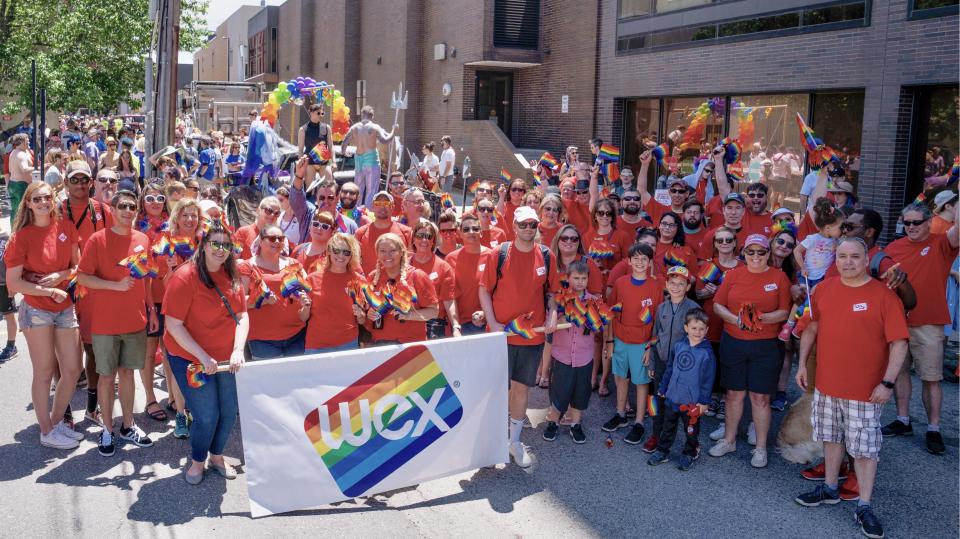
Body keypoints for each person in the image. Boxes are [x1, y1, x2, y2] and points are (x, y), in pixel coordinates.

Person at [794, 237, 909, 539]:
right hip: (828, 386)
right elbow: (812, 327)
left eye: (854, 256)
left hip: (866, 391)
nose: (847, 262)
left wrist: (887, 383)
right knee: (831, 439)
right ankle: (831, 488)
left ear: (865, 258)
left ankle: (865, 505)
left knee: (864, 450)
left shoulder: (884, 295)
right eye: (842, 256)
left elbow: (898, 343)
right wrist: (803, 364)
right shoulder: (825, 289)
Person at [164, 219, 247, 484]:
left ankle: (217, 455)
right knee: (206, 414)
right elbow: (173, 325)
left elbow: (242, 316)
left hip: (225, 357)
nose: (221, 250)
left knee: (229, 410)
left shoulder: (231, 274)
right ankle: (198, 460)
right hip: (190, 358)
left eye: (226, 245)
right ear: (204, 244)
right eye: (215, 243)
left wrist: (237, 350)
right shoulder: (184, 277)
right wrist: (202, 356)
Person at [77, 189, 158, 457]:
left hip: (135, 320)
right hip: (104, 324)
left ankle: (128, 425)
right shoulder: (97, 240)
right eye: (122, 206)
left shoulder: (143, 239)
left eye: (132, 206)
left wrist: (151, 309)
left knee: (127, 374)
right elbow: (83, 278)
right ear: (112, 210)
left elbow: (145, 278)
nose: (127, 210)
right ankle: (107, 429)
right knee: (106, 377)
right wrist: (115, 286)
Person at [4, 182, 83, 449]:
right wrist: (48, 292)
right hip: (38, 310)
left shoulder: (66, 227)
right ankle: (46, 431)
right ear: (27, 203)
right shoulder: (21, 237)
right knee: (45, 371)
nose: (43, 202)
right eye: (36, 198)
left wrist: (60, 276)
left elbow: (77, 267)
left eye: (47, 197)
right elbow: (13, 284)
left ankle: (57, 421)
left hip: (65, 308)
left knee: (72, 369)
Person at [479, 206, 559, 467]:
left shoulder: (546, 256)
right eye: (523, 224)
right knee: (497, 389)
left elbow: (552, 293)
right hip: (500, 337)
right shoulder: (498, 254)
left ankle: (513, 441)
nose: (528, 229)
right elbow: (484, 291)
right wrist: (493, 323)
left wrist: (552, 315)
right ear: (514, 226)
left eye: (532, 225)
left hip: (531, 337)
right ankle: (492, 441)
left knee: (521, 389)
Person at [881, 201, 959, 455]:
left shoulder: (942, 243)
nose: (911, 227)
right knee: (900, 372)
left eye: (916, 222)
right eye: (907, 223)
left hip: (929, 322)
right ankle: (903, 420)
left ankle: (933, 428)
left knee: (931, 377)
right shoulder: (893, 248)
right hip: (897, 320)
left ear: (929, 222)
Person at [708, 234, 790, 468]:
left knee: (760, 397)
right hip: (734, 341)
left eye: (761, 252)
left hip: (766, 345)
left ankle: (761, 448)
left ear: (768, 253)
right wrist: (736, 320)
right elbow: (717, 304)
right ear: (743, 252)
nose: (755, 256)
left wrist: (759, 318)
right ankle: (729, 440)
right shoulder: (733, 275)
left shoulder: (779, 277)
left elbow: (784, 311)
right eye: (750, 252)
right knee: (734, 394)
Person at [60, 160, 113, 424]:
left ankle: (92, 406)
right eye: (74, 179)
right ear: (65, 182)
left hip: (93, 289)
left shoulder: (102, 210)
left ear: (91, 183)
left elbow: (116, 244)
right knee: (64, 352)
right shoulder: (56, 210)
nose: (80, 184)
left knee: (93, 349)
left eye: (84, 180)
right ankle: (65, 410)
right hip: (62, 289)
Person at [602, 242, 662, 445]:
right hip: (621, 339)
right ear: (628, 261)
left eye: (644, 259)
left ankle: (639, 422)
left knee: (641, 381)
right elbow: (610, 313)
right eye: (635, 258)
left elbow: (658, 319)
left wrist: (650, 347)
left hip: (642, 342)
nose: (639, 262)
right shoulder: (621, 282)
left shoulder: (656, 285)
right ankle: (620, 414)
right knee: (621, 377)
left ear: (650, 262)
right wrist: (609, 341)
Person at [647, 308, 716, 471]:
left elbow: (708, 380)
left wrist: (704, 402)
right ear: (686, 328)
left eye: (701, 329)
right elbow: (670, 369)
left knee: (691, 429)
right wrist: (663, 387)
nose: (697, 332)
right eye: (693, 328)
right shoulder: (678, 346)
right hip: (673, 396)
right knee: (668, 426)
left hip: (692, 403)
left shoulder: (707, 354)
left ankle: (690, 452)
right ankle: (663, 450)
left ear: (707, 330)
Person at [645, 265, 701, 454]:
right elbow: (655, 335)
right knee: (657, 400)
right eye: (672, 283)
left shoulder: (694, 308)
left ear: (687, 287)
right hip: (661, 361)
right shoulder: (661, 307)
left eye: (681, 283)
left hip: (682, 366)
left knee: (681, 403)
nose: (676, 287)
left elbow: (698, 339)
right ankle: (655, 434)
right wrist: (652, 361)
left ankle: (690, 443)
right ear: (666, 284)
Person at [541, 260, 597, 445]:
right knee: (559, 391)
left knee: (580, 393)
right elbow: (551, 317)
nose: (580, 282)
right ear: (568, 278)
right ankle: (553, 421)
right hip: (562, 356)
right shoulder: (559, 300)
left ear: (588, 279)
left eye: (583, 278)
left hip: (584, 357)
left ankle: (575, 423)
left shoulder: (594, 302)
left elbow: (598, 329)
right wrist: (557, 315)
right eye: (576, 278)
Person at [240, 225, 309, 360]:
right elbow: (238, 302)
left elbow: (307, 294)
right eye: (272, 238)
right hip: (263, 340)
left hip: (296, 335)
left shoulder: (293, 264)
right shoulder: (247, 267)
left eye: (280, 238)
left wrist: (305, 301)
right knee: (269, 380)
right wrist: (261, 300)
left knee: (297, 379)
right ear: (260, 240)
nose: (277, 242)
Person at [780, 198, 844, 340]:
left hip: (822, 277)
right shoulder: (812, 238)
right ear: (828, 228)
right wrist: (802, 267)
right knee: (801, 299)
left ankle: (800, 326)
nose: (843, 230)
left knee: (812, 303)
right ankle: (788, 326)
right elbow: (797, 251)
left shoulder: (836, 242)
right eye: (841, 227)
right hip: (807, 275)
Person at [695, 226, 740, 420]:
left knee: (729, 361)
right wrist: (707, 293)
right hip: (711, 322)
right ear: (714, 244)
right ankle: (712, 396)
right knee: (711, 361)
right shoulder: (708, 265)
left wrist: (723, 292)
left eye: (728, 240)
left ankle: (724, 399)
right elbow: (697, 293)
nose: (724, 244)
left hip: (733, 323)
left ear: (735, 243)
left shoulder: (742, 267)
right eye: (719, 240)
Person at [364, 233, 439, 345]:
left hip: (411, 344)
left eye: (393, 251)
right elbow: (366, 310)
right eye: (383, 251)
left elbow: (434, 312)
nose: (387, 255)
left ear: (401, 252)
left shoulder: (417, 276)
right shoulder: (372, 277)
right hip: (380, 343)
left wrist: (409, 315)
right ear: (377, 254)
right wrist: (369, 313)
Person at [304, 233, 365, 353]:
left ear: (351, 255)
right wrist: (305, 307)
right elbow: (302, 318)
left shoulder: (359, 281)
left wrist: (360, 314)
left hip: (347, 344)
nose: (341, 256)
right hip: (316, 344)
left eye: (346, 252)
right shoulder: (312, 278)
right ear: (329, 252)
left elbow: (362, 320)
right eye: (336, 251)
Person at [341, 105, 399, 206]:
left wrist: (344, 152)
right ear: (372, 116)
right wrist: (393, 131)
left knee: (357, 190)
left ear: (362, 115)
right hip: (371, 161)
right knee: (371, 192)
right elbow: (385, 140)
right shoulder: (375, 127)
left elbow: (344, 142)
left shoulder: (354, 127)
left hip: (358, 161)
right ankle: (368, 215)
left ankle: (355, 213)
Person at [410, 221, 458, 339]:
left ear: (433, 241)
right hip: (408, 323)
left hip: (434, 325)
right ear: (413, 240)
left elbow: (449, 301)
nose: (424, 240)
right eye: (420, 236)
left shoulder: (443, 266)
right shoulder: (403, 264)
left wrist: (456, 327)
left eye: (429, 236)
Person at [445, 214, 491, 337]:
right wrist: (455, 325)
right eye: (466, 229)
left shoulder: (492, 256)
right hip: (461, 326)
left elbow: (499, 292)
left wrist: (486, 314)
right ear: (460, 233)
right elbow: (449, 296)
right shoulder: (450, 259)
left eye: (475, 229)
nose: (471, 232)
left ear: (481, 232)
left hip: (489, 322)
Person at [355, 191, 413, 274]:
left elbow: (411, 261)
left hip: (396, 284)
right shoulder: (360, 233)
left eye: (386, 203)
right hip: (369, 285)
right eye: (378, 203)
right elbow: (354, 262)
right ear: (373, 207)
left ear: (392, 207)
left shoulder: (407, 232)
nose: (382, 207)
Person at [584, 198, 631, 278]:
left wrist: (613, 272)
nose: (605, 216)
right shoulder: (586, 237)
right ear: (595, 215)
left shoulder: (623, 236)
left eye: (608, 213)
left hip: (615, 281)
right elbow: (582, 263)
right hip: (593, 281)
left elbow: (628, 262)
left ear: (613, 216)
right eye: (601, 213)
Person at [699, 193, 749, 260]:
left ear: (743, 211)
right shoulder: (712, 235)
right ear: (723, 210)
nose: (733, 212)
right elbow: (702, 262)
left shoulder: (750, 236)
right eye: (729, 208)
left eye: (737, 208)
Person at [297, 104, 335, 190]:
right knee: (309, 189)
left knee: (329, 187)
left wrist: (334, 161)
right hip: (310, 162)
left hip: (324, 161)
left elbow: (331, 147)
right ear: (311, 113)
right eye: (318, 113)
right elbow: (300, 149)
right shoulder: (303, 129)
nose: (320, 115)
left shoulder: (326, 127)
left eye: (322, 113)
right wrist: (301, 163)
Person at [0, 230, 18, 363]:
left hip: (4, 285)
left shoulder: (7, 237)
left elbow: (13, 261)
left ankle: (11, 347)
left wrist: (13, 285)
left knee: (9, 315)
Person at [7, 133, 33, 223]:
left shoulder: (14, 152)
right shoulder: (21, 154)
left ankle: (13, 232)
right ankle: (18, 233)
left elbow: (11, 169)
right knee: (21, 211)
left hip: (13, 184)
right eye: (27, 140)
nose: (29, 141)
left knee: (15, 210)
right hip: (20, 186)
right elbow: (25, 169)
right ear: (22, 141)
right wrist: (40, 168)